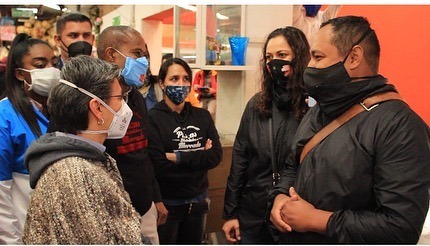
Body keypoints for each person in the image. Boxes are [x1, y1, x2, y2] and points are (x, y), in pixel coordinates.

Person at [270, 16, 430, 243]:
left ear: (354, 57)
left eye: (318, 57)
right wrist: (280, 197)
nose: (309, 67)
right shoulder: (320, 110)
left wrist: (318, 220)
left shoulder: (400, 126)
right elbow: (292, 164)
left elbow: (400, 228)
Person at [22, 55, 142, 244]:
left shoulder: (86, 159)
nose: (125, 107)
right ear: (97, 108)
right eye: (119, 98)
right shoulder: (75, 173)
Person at [222, 26, 310, 244]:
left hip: (294, 218)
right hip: (253, 215)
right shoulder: (257, 105)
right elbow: (240, 162)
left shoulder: (314, 107)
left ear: (299, 58)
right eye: (269, 57)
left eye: (282, 55)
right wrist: (230, 213)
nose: (274, 63)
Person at [96, 25, 168, 244]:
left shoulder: (136, 98)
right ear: (111, 55)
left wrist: (155, 197)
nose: (144, 61)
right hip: (108, 211)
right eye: (137, 53)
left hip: (144, 206)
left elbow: (142, 152)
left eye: (145, 55)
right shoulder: (91, 100)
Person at [147, 57, 222, 244]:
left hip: (198, 203)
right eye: (174, 79)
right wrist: (199, 157)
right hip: (167, 206)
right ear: (162, 83)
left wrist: (178, 157)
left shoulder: (202, 116)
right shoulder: (153, 118)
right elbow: (159, 166)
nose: (181, 84)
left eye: (185, 79)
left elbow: (215, 156)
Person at [0, 33, 60, 244]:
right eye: (40, 65)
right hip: (22, 223)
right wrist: (10, 240)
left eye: (54, 63)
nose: (51, 71)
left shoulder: (61, 110)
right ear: (19, 74)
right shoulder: (4, 115)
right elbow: (1, 189)